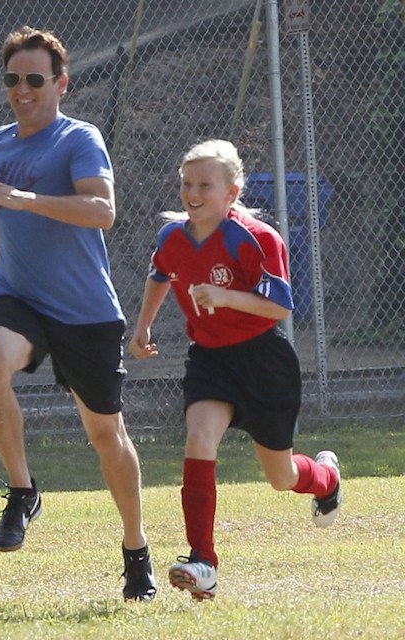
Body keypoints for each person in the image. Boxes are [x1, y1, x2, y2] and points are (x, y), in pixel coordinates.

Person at [0, 26, 156, 601]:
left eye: (35, 79)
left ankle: (136, 548)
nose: (22, 89)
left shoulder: (79, 139)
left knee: (107, 437)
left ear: (61, 83)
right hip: (19, 297)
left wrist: (29, 200)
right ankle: (22, 491)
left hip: (85, 312)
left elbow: (103, 211)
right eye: (13, 79)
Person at [128, 139, 342, 601]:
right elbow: (161, 274)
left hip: (263, 360)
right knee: (199, 439)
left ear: (233, 191)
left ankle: (327, 477)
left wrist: (224, 296)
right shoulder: (173, 237)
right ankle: (203, 562)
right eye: (187, 183)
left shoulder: (257, 239)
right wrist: (142, 327)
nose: (193, 192)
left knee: (281, 476)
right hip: (210, 358)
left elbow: (279, 305)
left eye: (205, 184)